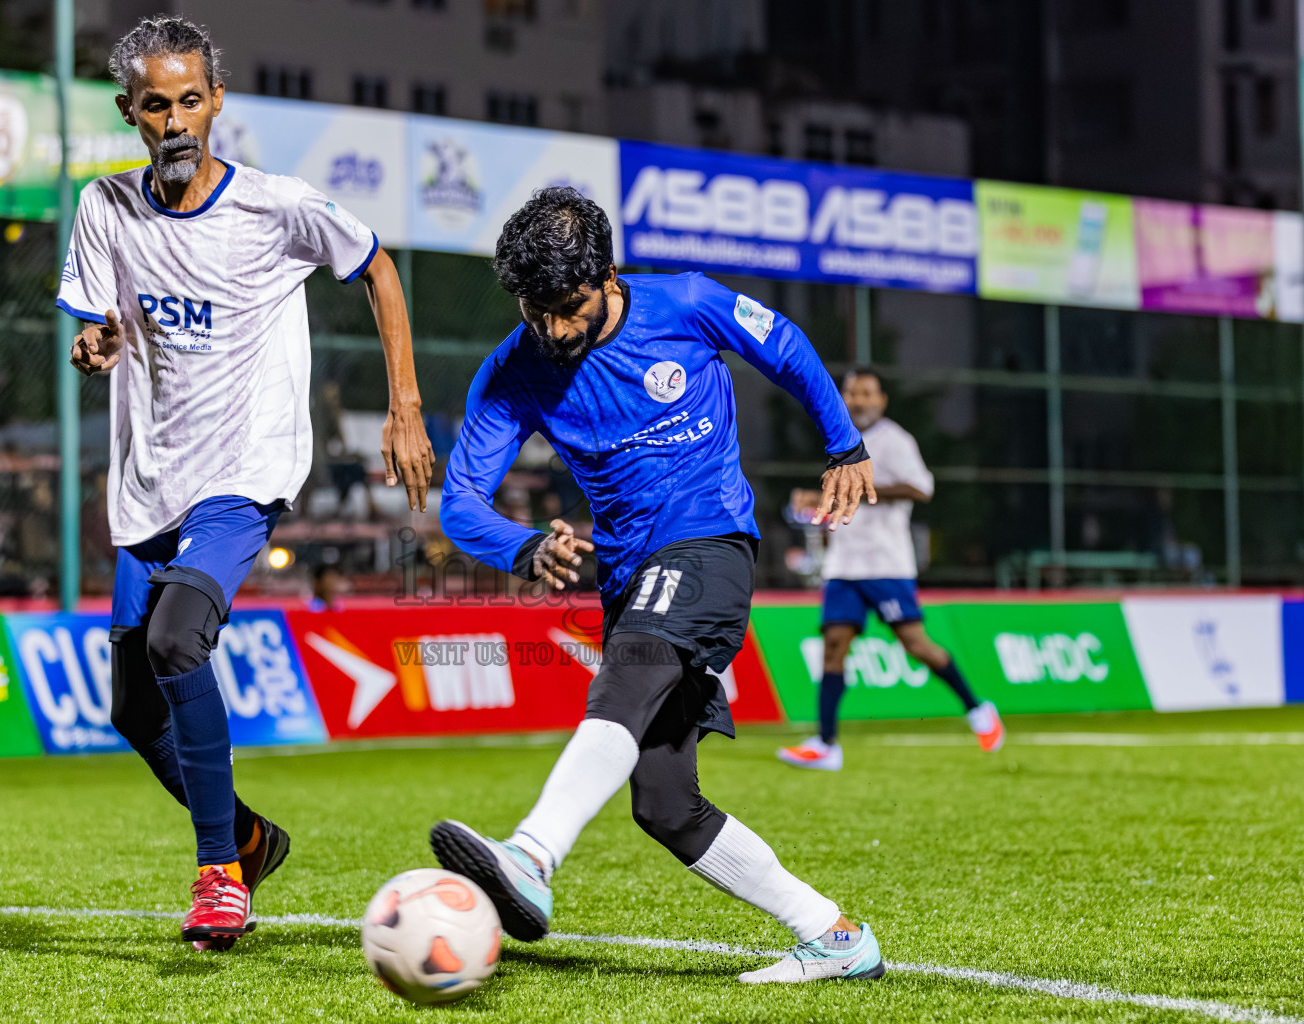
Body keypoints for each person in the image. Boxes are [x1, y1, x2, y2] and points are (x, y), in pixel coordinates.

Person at [432, 187, 884, 984]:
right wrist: (523, 545)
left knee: (628, 673)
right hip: (630, 580)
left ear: (607, 277)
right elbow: (460, 502)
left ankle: (532, 854)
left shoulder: (687, 302)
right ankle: (834, 935)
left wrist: (843, 445)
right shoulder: (513, 370)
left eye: (567, 309)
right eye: (536, 312)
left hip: (710, 542)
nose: (552, 329)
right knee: (665, 803)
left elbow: (785, 347)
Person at [60, 15, 433, 949]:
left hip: (246, 471)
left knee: (177, 638)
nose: (176, 119)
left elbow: (378, 267)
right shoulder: (105, 207)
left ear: (216, 101)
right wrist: (96, 343)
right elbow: (99, 326)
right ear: (129, 112)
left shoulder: (276, 206)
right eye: (157, 105)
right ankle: (253, 839)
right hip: (150, 483)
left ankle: (219, 874)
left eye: (191, 100)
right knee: (130, 707)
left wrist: (405, 405)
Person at [778, 368, 1002, 772]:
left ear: (881, 400)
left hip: (886, 563)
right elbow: (840, 500)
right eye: (852, 393)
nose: (859, 400)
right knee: (834, 645)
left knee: (916, 644)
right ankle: (826, 744)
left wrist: (860, 488)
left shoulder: (896, 440)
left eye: (867, 393)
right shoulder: (838, 438)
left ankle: (977, 709)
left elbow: (922, 488)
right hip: (843, 565)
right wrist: (816, 503)